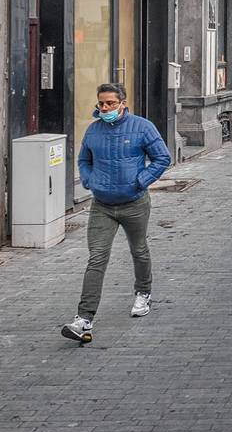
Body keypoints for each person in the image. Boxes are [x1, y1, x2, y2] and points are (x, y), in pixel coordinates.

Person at [61, 83, 172, 343]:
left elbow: (162, 158)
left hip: (134, 202)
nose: (105, 108)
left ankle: (143, 292)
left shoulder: (142, 127)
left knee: (139, 250)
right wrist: (89, 181)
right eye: (101, 103)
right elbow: (83, 160)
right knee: (96, 258)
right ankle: (84, 318)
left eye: (111, 103)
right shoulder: (93, 130)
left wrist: (141, 181)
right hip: (102, 206)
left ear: (123, 103)